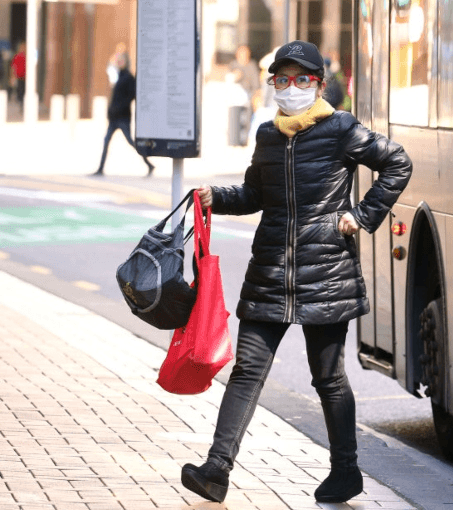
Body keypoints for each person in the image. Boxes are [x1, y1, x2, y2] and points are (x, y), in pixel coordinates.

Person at [180, 40, 412, 504]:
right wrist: (215, 198)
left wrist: (362, 216)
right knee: (246, 370)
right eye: (282, 80)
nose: (291, 88)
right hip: (269, 271)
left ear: (319, 85)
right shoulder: (267, 135)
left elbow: (397, 163)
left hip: (325, 273)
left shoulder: (342, 129)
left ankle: (346, 472)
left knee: (328, 378)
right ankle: (216, 470)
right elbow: (252, 195)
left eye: (302, 79)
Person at [93, 52, 154, 176]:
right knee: (106, 141)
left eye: (121, 60)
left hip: (123, 117)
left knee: (132, 143)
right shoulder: (118, 76)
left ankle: (149, 164)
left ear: (126, 62)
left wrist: (120, 107)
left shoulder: (128, 77)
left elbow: (131, 96)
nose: (119, 62)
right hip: (114, 117)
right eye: (118, 60)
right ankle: (100, 169)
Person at [10, 41, 25, 106]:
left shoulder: (27, 56)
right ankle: (20, 102)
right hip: (19, 76)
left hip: (25, 77)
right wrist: (12, 76)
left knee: (23, 90)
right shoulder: (17, 56)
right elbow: (13, 67)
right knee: (20, 90)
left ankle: (21, 102)